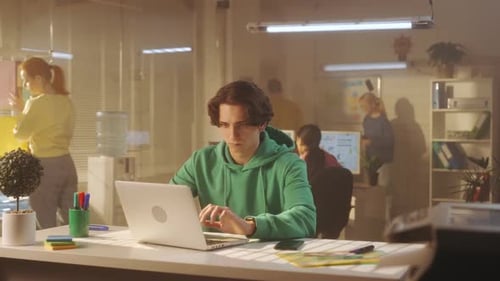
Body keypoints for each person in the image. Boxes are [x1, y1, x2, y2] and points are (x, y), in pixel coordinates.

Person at [169, 80, 316, 240]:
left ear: (261, 124)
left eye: (242, 125)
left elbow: (305, 219)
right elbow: (165, 201)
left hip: (267, 259)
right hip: (213, 259)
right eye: (225, 125)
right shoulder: (201, 161)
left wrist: (249, 226)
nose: (232, 135)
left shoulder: (289, 164)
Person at [8, 57, 77, 229]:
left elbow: (21, 134)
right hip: (67, 164)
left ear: (38, 79)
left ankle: (50, 256)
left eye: (26, 80)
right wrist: (26, 109)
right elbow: (47, 122)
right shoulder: (66, 102)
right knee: (71, 221)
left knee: (45, 223)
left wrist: (20, 113)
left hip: (45, 166)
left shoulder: (35, 104)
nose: (25, 85)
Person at [358, 92, 394, 172]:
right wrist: (360, 138)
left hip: (383, 162)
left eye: (364, 106)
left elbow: (389, 142)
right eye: (361, 107)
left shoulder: (383, 121)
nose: (362, 109)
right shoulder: (366, 119)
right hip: (370, 161)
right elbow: (368, 136)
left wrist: (371, 142)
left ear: (372, 105)